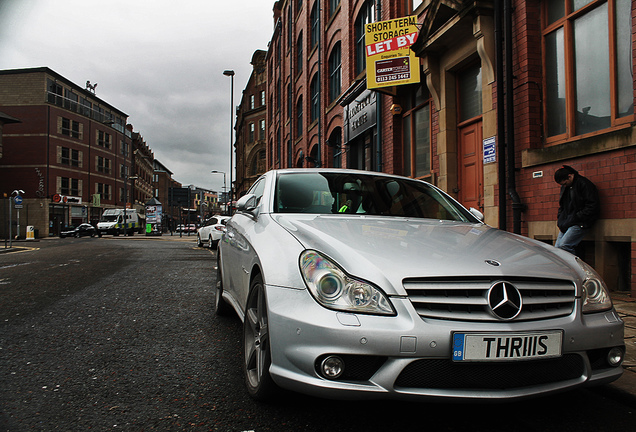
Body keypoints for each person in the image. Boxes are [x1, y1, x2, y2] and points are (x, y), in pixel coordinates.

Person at [554, 165, 600, 254]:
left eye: (565, 183)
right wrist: (561, 218)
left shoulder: (584, 184)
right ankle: (565, 267)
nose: (564, 186)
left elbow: (592, 205)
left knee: (564, 245)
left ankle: (572, 267)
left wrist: (577, 217)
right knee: (557, 249)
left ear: (570, 176)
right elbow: (563, 205)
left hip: (580, 222)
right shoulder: (566, 187)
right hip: (568, 221)